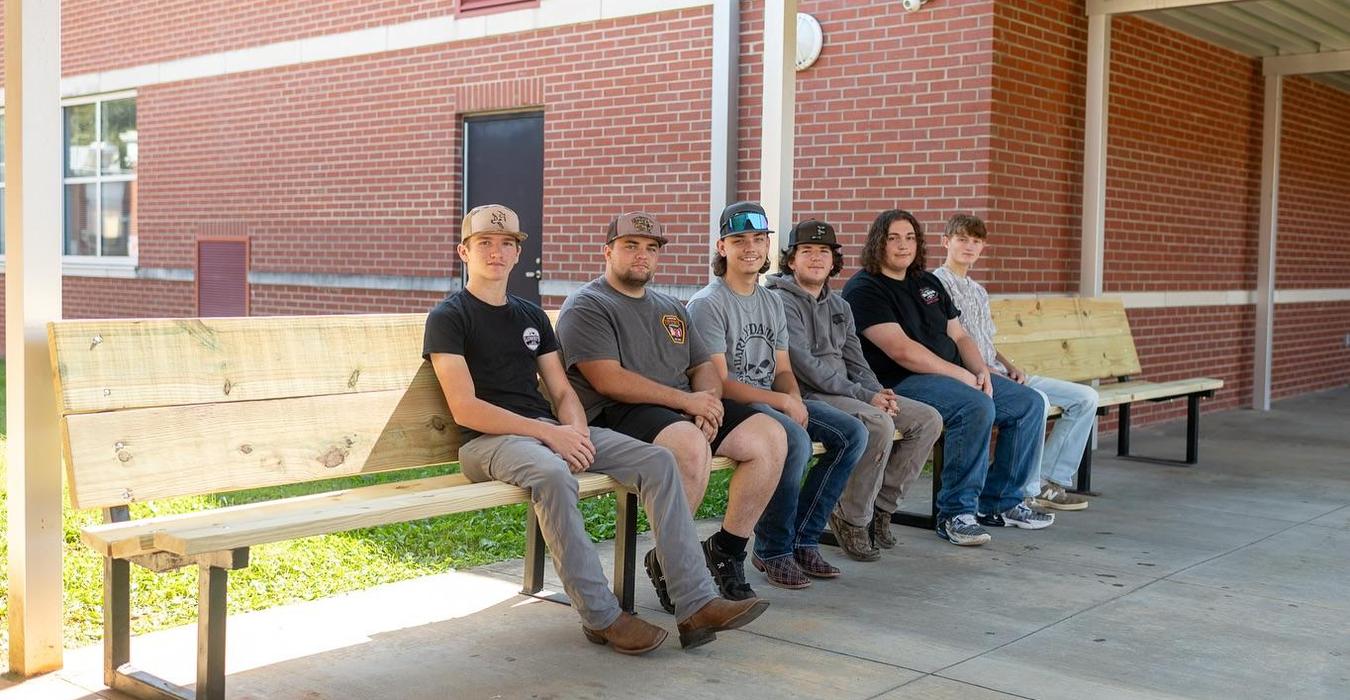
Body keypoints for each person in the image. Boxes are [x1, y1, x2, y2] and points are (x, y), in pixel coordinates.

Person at [424, 204, 767, 655]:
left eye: (506, 243)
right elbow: (465, 408)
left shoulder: (529, 315)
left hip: (545, 431)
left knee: (659, 459)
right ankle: (601, 616)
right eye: (484, 243)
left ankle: (696, 603)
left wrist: (575, 432)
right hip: (487, 442)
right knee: (552, 474)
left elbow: (564, 391)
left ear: (517, 253)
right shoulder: (450, 316)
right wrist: (549, 435)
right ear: (463, 252)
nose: (496, 252)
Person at [556, 211, 786, 609]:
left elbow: (703, 367)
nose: (642, 255)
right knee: (689, 444)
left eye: (651, 248)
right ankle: (676, 566)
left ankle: (726, 551)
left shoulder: (671, 307)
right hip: (618, 413)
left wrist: (708, 404)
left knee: (770, 436)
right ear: (608, 251)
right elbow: (607, 379)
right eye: (631, 246)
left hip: (680, 408)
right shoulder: (588, 304)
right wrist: (687, 403)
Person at [842, 209, 1053, 547]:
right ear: (878, 242)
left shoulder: (927, 282)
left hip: (955, 376)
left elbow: (959, 335)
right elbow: (902, 351)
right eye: (893, 238)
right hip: (901, 382)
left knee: (1028, 403)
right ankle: (956, 513)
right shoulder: (864, 288)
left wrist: (981, 369)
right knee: (975, 406)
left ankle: (999, 503)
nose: (902, 245)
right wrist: (962, 376)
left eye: (910, 237)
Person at [687, 203, 867, 588]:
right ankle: (773, 549)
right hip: (734, 406)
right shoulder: (709, 303)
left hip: (769, 399)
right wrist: (784, 404)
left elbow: (783, 369)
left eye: (758, 239)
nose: (750, 247)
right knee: (795, 440)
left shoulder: (770, 300)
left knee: (853, 433)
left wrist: (793, 398)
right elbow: (717, 383)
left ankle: (803, 538)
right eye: (739, 240)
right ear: (722, 247)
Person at [764, 218, 944, 561]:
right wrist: (867, 398)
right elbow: (804, 366)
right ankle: (851, 517)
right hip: (810, 394)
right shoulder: (780, 302)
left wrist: (880, 392)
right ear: (791, 260)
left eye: (824, 252)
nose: (816, 258)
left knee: (927, 419)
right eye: (807, 251)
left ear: (834, 261)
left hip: (849, 391)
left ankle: (880, 509)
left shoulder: (840, 306)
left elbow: (856, 360)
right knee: (878, 423)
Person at [933, 214, 1095, 511]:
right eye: (962, 239)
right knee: (1037, 402)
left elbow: (986, 341)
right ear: (946, 242)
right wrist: (989, 371)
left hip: (999, 370)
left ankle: (1049, 479)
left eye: (977, 241)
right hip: (974, 375)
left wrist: (1010, 365)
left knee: (1085, 398)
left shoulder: (978, 290)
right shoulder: (936, 286)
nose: (970, 246)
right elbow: (950, 342)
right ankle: (1024, 491)